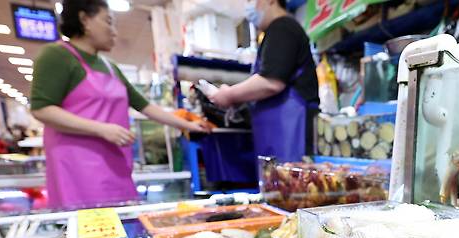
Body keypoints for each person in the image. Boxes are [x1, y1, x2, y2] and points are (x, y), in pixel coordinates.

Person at [31, 0, 211, 210]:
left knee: (120, 221)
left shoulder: (110, 66)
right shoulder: (57, 55)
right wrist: (101, 129)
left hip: (114, 163)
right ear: (84, 20)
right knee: (90, 229)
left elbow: (145, 107)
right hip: (77, 165)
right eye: (108, 22)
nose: (114, 32)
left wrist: (190, 125)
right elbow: (42, 109)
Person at [210, 0, 319, 163]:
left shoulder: (283, 28)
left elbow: (270, 82)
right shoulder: (275, 32)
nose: (248, 7)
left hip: (293, 139)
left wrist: (229, 95)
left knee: (295, 182)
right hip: (279, 138)